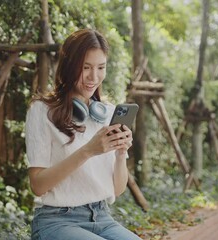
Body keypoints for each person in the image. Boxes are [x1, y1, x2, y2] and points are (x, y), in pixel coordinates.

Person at [25, 28, 141, 240]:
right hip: (56, 220)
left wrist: (120, 154)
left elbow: (117, 190)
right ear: (69, 66)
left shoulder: (106, 114)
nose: (93, 77)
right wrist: (88, 150)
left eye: (101, 67)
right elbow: (38, 185)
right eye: (85, 67)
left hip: (102, 218)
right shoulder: (42, 111)